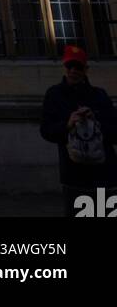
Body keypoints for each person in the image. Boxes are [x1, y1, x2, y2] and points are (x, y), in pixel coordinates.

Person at [40, 44, 117, 217]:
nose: (73, 71)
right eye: (70, 66)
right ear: (64, 67)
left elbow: (115, 130)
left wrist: (95, 123)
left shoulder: (99, 95)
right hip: (74, 175)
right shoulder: (54, 95)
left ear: (86, 69)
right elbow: (46, 130)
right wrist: (67, 124)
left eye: (78, 67)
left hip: (104, 172)